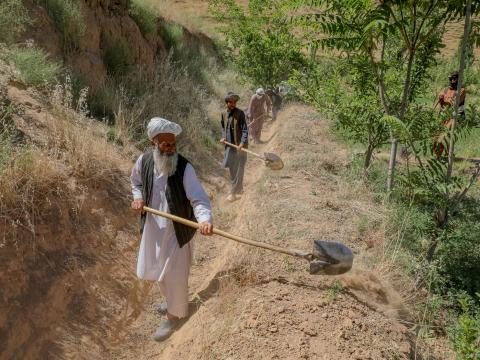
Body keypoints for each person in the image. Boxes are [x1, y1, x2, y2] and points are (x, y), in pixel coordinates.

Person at [130, 117, 213, 342]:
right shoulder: (144, 161)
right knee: (159, 270)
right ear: (153, 144)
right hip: (153, 229)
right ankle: (172, 301)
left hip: (177, 231)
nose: (170, 149)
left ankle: (173, 317)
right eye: (165, 144)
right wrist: (137, 198)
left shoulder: (185, 168)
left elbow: (199, 199)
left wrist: (204, 219)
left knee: (175, 274)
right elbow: (136, 183)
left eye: (173, 144)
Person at [220, 91, 248, 202]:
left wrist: (241, 143)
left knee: (239, 169)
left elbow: (245, 130)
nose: (233, 104)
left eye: (234, 102)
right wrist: (223, 137)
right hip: (229, 147)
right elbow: (223, 128)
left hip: (239, 148)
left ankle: (233, 193)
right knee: (232, 169)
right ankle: (238, 190)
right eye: (230, 102)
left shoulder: (240, 113)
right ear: (227, 102)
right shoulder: (223, 114)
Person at [434, 71, 466, 158]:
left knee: (446, 134)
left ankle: (449, 154)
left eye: (455, 79)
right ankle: (438, 156)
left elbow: (454, 103)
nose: (452, 81)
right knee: (437, 135)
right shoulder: (445, 89)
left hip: (456, 117)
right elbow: (442, 104)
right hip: (444, 116)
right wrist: (440, 99)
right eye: (451, 79)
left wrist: (445, 100)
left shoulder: (462, 90)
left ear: (459, 80)